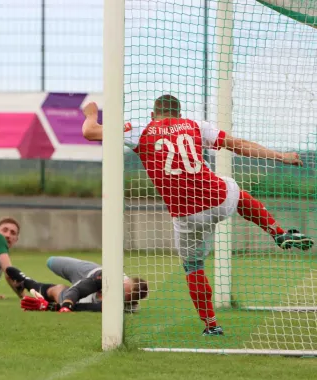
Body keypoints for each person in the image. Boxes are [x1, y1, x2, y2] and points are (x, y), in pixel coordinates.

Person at [82, 95, 314, 336]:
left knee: (193, 266)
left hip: (186, 216)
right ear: (179, 114)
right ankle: (277, 232)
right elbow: (238, 144)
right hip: (217, 198)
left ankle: (211, 325)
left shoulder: (140, 131)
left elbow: (90, 132)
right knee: (237, 192)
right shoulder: (196, 126)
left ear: (153, 115)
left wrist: (90, 113)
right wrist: (280, 156)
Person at [6, 256, 148, 313]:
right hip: (90, 272)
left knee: (59, 291)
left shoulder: (119, 308)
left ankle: (27, 281)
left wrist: (61, 306)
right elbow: (82, 287)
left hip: (89, 296)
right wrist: (68, 302)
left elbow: (84, 304)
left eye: (122, 294)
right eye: (121, 286)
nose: (117, 291)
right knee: (51, 261)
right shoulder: (109, 276)